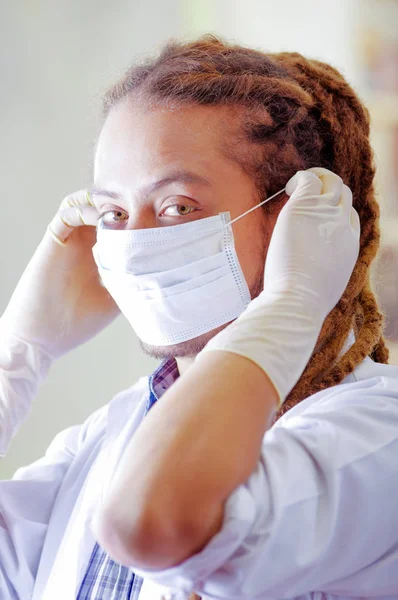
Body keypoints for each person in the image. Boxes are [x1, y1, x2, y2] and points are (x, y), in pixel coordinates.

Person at [1, 36, 397, 600]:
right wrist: (18, 352)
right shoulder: (109, 435)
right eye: (112, 212)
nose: (132, 241)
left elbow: (156, 518)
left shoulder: (378, 434)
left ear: (297, 221)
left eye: (176, 206)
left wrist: (292, 304)